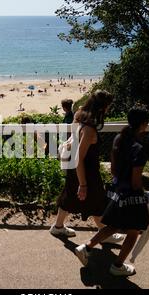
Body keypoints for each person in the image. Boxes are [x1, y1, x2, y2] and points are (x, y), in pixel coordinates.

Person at [74, 105, 149, 277]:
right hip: (131, 194)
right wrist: (143, 197)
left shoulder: (119, 138)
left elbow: (114, 168)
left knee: (114, 225)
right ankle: (117, 265)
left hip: (117, 190)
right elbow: (136, 180)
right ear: (144, 124)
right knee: (134, 230)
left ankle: (85, 247)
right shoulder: (138, 148)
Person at [50, 90, 124, 244]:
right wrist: (83, 184)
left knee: (70, 195)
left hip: (74, 167)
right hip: (86, 170)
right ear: (102, 107)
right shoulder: (89, 129)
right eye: (108, 106)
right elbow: (80, 158)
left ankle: (58, 226)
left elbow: (73, 137)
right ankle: (105, 233)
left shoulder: (79, 114)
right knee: (97, 199)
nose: (109, 109)